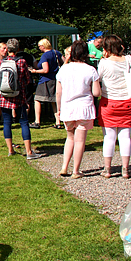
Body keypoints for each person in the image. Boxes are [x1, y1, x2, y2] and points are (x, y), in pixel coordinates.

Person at [56, 40, 101, 179]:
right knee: (80, 141)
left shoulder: (64, 69)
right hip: (84, 108)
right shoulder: (90, 70)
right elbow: (96, 93)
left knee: (69, 138)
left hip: (67, 108)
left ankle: (64, 166)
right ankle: (76, 171)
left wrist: (58, 110)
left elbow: (58, 92)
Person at [97, 35, 131, 179]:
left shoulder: (103, 63)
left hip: (109, 102)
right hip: (127, 101)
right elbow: (127, 56)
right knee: (125, 137)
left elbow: (98, 78)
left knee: (109, 137)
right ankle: (125, 169)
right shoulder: (128, 60)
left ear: (106, 48)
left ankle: (107, 170)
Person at [0, 39, 41, 159]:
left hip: (4, 95)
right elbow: (27, 79)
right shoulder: (21, 61)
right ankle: (29, 152)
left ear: (7, 48)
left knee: (6, 122)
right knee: (24, 122)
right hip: (18, 95)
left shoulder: (1, 62)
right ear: (17, 48)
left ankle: (10, 150)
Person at [30, 39, 63, 129]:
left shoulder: (45, 56)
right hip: (55, 79)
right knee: (54, 100)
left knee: (37, 99)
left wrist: (35, 71)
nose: (39, 48)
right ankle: (58, 121)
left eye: (39, 46)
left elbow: (45, 70)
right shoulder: (57, 53)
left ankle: (37, 121)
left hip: (45, 80)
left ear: (43, 46)